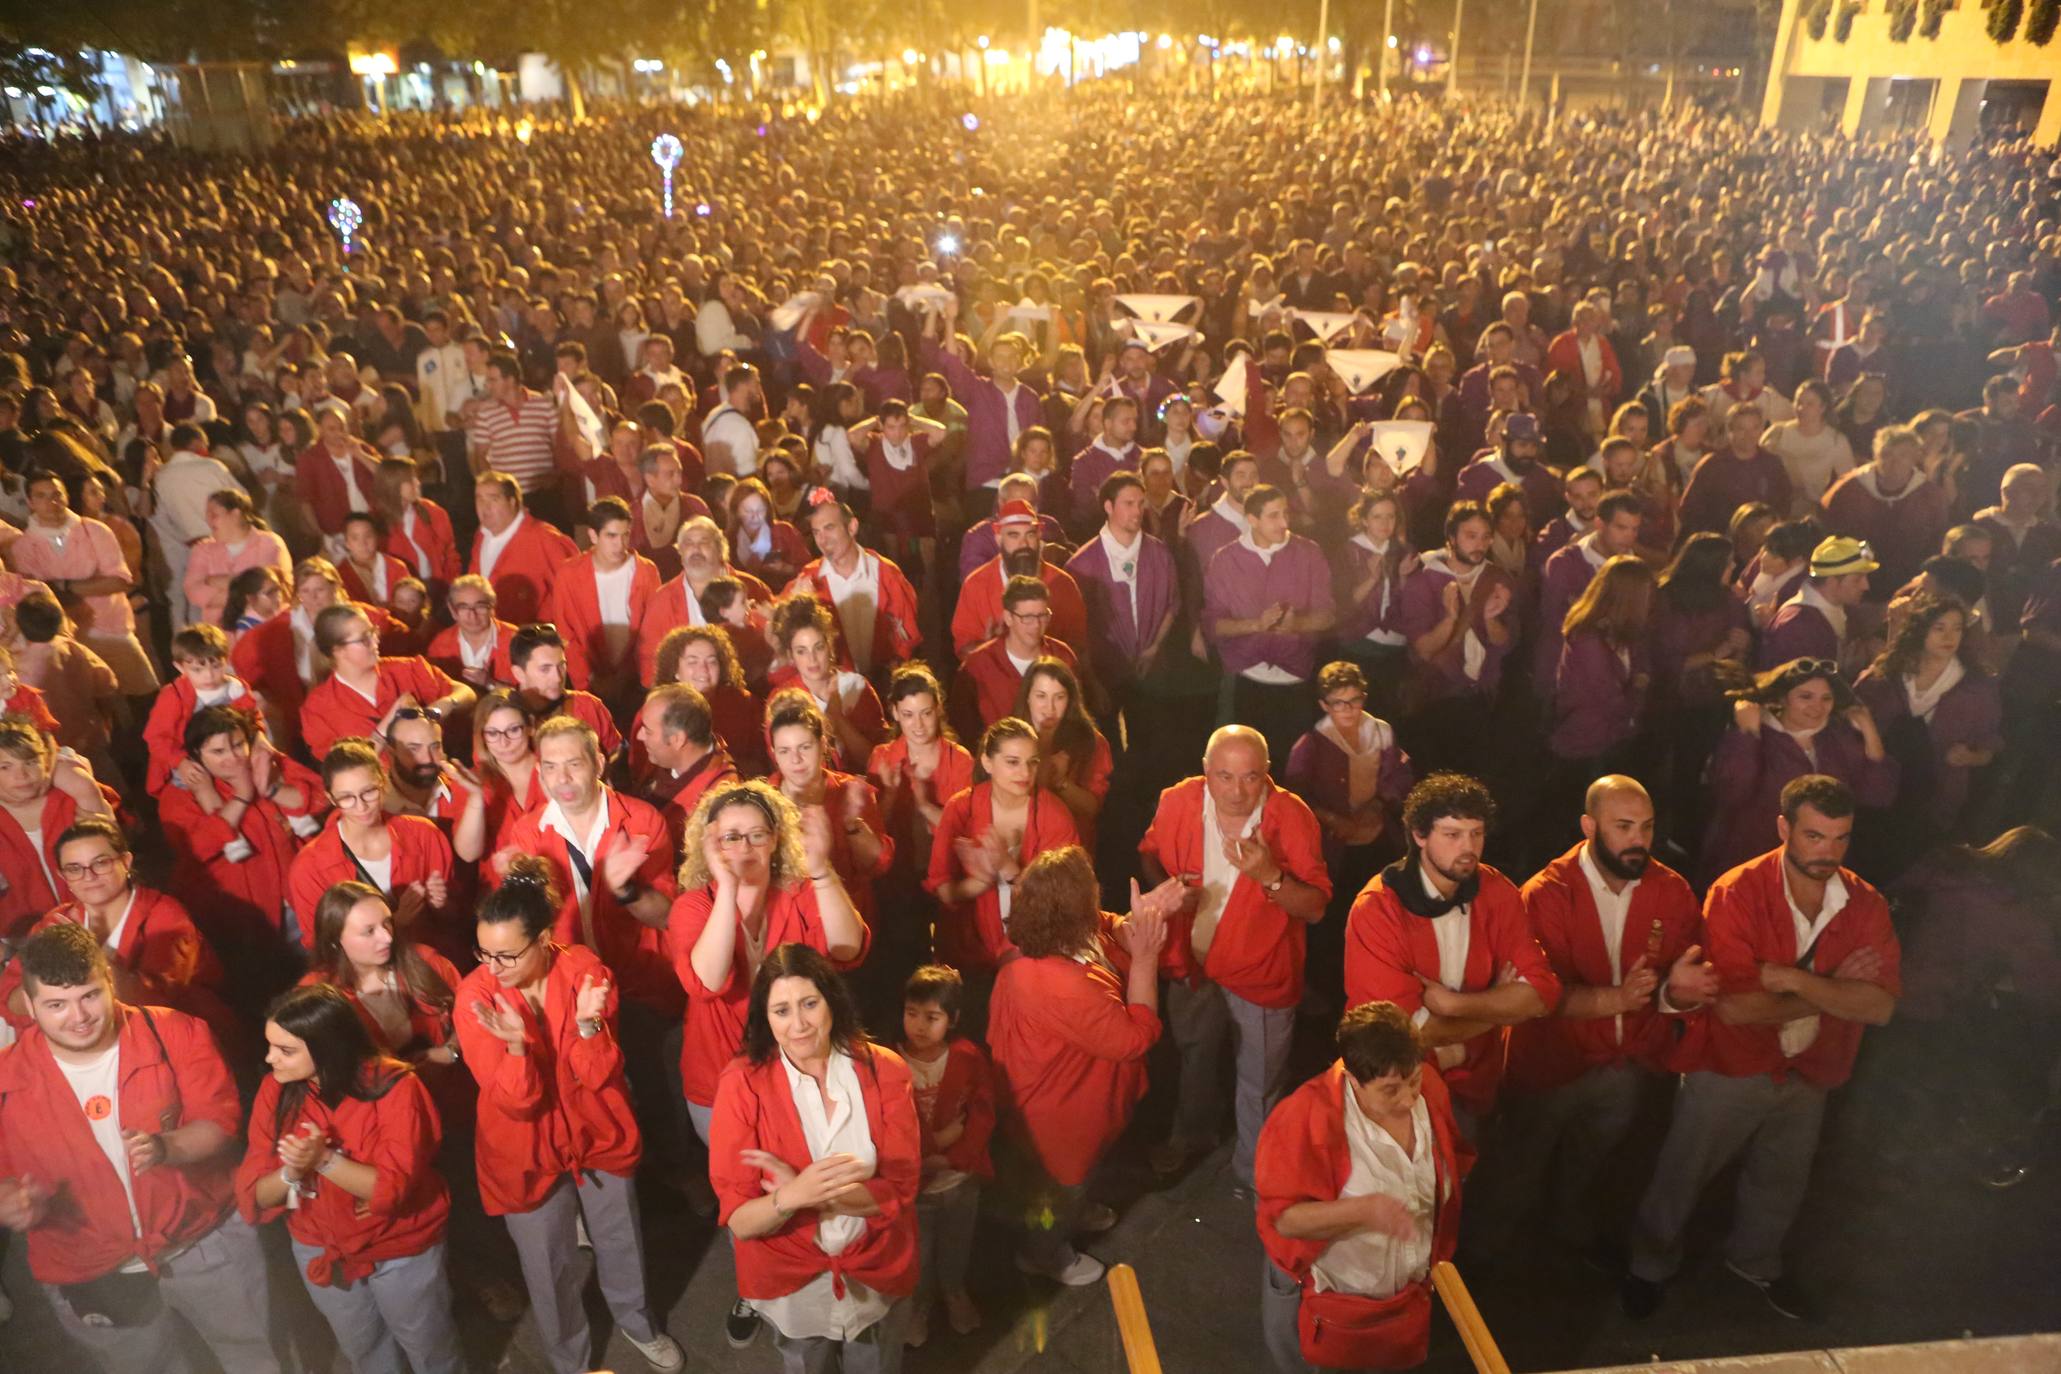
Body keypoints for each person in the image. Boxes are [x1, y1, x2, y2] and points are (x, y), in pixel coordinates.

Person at [1624, 776, 1900, 1322]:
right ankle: (1648, 1266)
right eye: (1815, 837)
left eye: (1841, 838)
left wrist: (1791, 980)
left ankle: (1755, 1262)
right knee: (1683, 1171)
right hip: (1728, 1063)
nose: (1829, 852)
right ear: (1783, 828)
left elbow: (1881, 1007)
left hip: (1813, 1068)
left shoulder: (1865, 901)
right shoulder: (1737, 891)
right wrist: (1835, 989)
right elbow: (1734, 1008)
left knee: (1782, 1178)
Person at [0, 924, 281, 1374]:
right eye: (56, 1005)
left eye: (90, 996)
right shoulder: (6, 1080)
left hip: (203, 1243)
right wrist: (8, 1203)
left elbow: (221, 1123)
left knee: (254, 1355)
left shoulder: (179, 1033)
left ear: (110, 983)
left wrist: (167, 1147)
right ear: (29, 1006)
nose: (78, 1017)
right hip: (91, 1271)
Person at [458, 857, 686, 1374]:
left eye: (507, 954)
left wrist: (587, 1026)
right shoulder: (475, 996)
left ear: (543, 938)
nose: (493, 967)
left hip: (596, 1129)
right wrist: (517, 1049)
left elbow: (602, 1071)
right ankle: (570, 1361)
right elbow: (513, 1101)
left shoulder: (583, 968)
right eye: (483, 952)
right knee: (547, 1265)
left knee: (619, 1236)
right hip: (525, 1148)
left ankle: (637, 1320)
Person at [1497, 778, 1717, 1260]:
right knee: (1518, 1166)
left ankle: (1566, 1241)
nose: (1639, 840)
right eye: (1623, 827)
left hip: (1625, 1067)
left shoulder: (1672, 890)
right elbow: (1532, 995)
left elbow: (1681, 983)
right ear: (1588, 826)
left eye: (1646, 827)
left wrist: (1677, 994)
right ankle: (1490, 1260)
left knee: (1591, 1167)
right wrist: (1615, 999)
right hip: (1550, 1065)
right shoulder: (1546, 893)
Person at [709, 943, 921, 1371]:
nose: (799, 1025)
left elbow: (902, 1188)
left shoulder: (886, 1071)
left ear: (832, 1001)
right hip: (793, 1282)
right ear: (765, 1019)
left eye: (809, 1003)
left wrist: (807, 1192)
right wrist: (789, 1198)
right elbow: (740, 1220)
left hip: (876, 1266)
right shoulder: (741, 1086)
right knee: (805, 1360)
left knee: (877, 1361)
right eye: (781, 1011)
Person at [1138, 725, 1331, 1190]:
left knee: (1259, 1081)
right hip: (1192, 964)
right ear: (1206, 772)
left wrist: (1270, 877)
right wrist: (1171, 890)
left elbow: (1316, 907)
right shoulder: (1178, 801)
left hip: (1263, 975)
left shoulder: (1292, 817)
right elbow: (1150, 854)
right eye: (1224, 777)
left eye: (1250, 778)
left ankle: (1255, 1176)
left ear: (1267, 774)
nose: (1237, 791)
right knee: (1195, 1057)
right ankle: (1195, 1137)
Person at [234, 983, 464, 1374]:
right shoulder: (276, 1092)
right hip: (319, 1244)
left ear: (328, 1047)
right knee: (365, 1352)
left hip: (398, 1248)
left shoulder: (395, 1087)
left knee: (429, 1348)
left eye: (286, 1050)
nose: (270, 1059)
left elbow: (392, 1188)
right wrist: (292, 1171)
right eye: (270, 1045)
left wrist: (322, 1160)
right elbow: (256, 1191)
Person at [987, 847, 1176, 1285]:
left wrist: (1133, 920)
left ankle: (1071, 1212)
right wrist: (1146, 955)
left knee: (1065, 1181)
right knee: (1062, 1183)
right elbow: (1135, 1038)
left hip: (1053, 1101)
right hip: (1062, 1117)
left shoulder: (1038, 939)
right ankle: (1045, 1255)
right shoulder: (1059, 984)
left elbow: (1105, 926)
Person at [1255, 1002, 1470, 1374]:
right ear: (1353, 1079)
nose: (1408, 1099)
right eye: (1390, 1090)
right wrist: (1364, 1210)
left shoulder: (1429, 1091)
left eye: (1414, 1080)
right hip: (1339, 1300)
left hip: (1404, 1295)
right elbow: (1284, 1221)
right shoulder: (1305, 1119)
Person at [1343, 772, 1561, 1138]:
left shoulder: (1495, 890)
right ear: (1419, 835)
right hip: (1398, 1092)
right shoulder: (1378, 908)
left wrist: (1452, 1004)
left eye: (1476, 834)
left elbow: (1542, 994)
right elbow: (1403, 1033)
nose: (1468, 848)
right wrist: (1498, 1012)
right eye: (1453, 834)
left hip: (1477, 1086)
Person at [0, 816, 231, 1041]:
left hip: (177, 1039)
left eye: (101, 863)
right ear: (63, 876)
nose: (88, 876)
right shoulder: (54, 922)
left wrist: (90, 958)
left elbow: (157, 1001)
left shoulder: (165, 913)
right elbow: (10, 1000)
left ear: (126, 862)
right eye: (74, 868)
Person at [156, 705, 323, 997]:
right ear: (196, 756)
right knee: (264, 992)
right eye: (218, 752)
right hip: (240, 919)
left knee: (317, 978)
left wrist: (270, 788)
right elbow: (196, 847)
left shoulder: (268, 765)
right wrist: (243, 796)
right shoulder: (178, 796)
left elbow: (320, 794)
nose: (232, 757)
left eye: (237, 745)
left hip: (295, 902)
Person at [1702, 659, 1898, 885]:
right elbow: (1732, 792)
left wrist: (1869, 729)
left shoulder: (1836, 739)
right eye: (1805, 697)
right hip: (1752, 863)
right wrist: (1747, 734)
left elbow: (1879, 796)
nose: (1817, 706)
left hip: (1818, 868)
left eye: (1826, 698)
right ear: (1783, 698)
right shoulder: (1757, 734)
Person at [925, 717, 1079, 1001]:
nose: (1025, 772)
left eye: (1032, 762)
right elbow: (943, 889)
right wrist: (978, 882)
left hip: (1035, 957)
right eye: (1012, 762)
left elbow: (1067, 902)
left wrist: (1011, 871)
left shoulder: (1054, 815)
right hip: (968, 956)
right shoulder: (961, 808)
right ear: (987, 762)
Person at [1204, 483, 1337, 768]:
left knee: (1294, 769)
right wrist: (1256, 624)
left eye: (1285, 513)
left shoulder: (1308, 553)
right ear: (1252, 520)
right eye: (1273, 516)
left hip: (1295, 681)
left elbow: (1328, 615)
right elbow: (1214, 626)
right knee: (1243, 767)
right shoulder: (1225, 559)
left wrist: (1297, 624)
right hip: (1244, 681)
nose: (1284, 523)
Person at [1853, 594, 2000, 850]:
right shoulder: (1885, 677)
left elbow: (1989, 747)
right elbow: (1850, 720)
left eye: (1957, 629)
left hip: (1933, 799)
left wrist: (1968, 757)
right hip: (1874, 790)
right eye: (1939, 628)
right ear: (1920, 630)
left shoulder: (1975, 690)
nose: (1949, 637)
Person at [896, 965, 993, 1348]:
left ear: (953, 1019)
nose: (919, 1025)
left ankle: (953, 1292)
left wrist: (958, 1156)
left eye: (932, 1017)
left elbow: (984, 1112)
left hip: (958, 1178)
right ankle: (920, 1305)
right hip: (915, 1184)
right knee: (917, 1252)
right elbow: (890, 1126)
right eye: (912, 1013)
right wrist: (937, 1146)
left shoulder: (968, 1057)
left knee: (957, 1243)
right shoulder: (890, 1061)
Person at [1398, 501, 1517, 771]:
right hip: (1437, 697)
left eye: (1486, 536)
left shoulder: (1498, 579)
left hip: (1482, 697)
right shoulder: (1424, 581)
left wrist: (1490, 618)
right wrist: (1451, 620)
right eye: (1470, 535)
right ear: (1451, 538)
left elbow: (1505, 644)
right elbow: (1424, 650)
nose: (1480, 543)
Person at [298, 603, 474, 759]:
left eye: (373, 632)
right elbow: (347, 768)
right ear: (338, 650)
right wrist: (389, 723)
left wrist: (441, 707)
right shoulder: (317, 709)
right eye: (364, 639)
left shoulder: (404, 669)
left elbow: (467, 694)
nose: (375, 641)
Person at [0, 717, 118, 933]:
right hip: (25, 935)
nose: (21, 776)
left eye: (30, 762)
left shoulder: (72, 798)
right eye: (5, 767)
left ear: (46, 761)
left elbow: (114, 859)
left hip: (98, 921)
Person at [789, 497, 923, 677]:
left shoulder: (886, 573)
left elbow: (908, 635)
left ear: (852, 527)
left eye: (829, 528)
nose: (823, 540)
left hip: (884, 682)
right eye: (816, 532)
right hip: (834, 687)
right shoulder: (809, 579)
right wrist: (797, 608)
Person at [548, 497, 660, 703]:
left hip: (635, 682)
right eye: (611, 536)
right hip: (590, 684)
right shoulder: (569, 573)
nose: (620, 544)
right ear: (593, 535)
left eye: (626, 535)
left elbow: (652, 630)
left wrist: (631, 678)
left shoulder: (646, 571)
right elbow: (566, 632)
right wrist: (589, 680)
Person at [950, 499, 1089, 658]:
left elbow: (1078, 647)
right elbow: (963, 646)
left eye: (1029, 534)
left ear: (1039, 538)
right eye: (1013, 535)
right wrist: (990, 650)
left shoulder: (1063, 584)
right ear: (999, 539)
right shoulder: (975, 584)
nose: (1023, 544)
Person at [766, 595, 887, 768]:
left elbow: (876, 762)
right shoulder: (781, 699)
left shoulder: (856, 687)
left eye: (819, 647)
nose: (812, 659)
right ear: (791, 655)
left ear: (829, 646)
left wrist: (838, 719)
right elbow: (784, 766)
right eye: (802, 651)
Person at [952, 576, 1081, 738]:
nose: (1036, 625)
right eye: (1027, 618)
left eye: (1042, 616)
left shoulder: (1062, 657)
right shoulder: (977, 667)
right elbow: (963, 730)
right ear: (1008, 618)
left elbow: (1077, 719)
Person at [470, 470, 579, 626]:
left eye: (493, 499)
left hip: (531, 641)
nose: (484, 507)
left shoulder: (544, 537)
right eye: (479, 499)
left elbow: (573, 591)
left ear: (512, 501)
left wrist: (542, 629)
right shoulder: (481, 536)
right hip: (492, 640)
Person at [1758, 536, 1879, 671]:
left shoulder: (1842, 611)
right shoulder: (1796, 627)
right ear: (1832, 582)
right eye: (1857, 579)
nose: (1866, 586)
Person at [182, 487, 293, 633]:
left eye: (214, 515)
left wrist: (213, 580)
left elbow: (273, 588)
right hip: (220, 637)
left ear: (235, 514)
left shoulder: (269, 543)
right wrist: (245, 590)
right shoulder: (202, 550)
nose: (208, 520)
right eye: (207, 515)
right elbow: (193, 591)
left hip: (263, 632)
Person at [425, 574, 517, 688]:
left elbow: (531, 697)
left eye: (480, 606)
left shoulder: (516, 640)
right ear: (452, 611)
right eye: (463, 607)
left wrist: (490, 683)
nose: (472, 615)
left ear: (492, 607)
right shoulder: (439, 645)